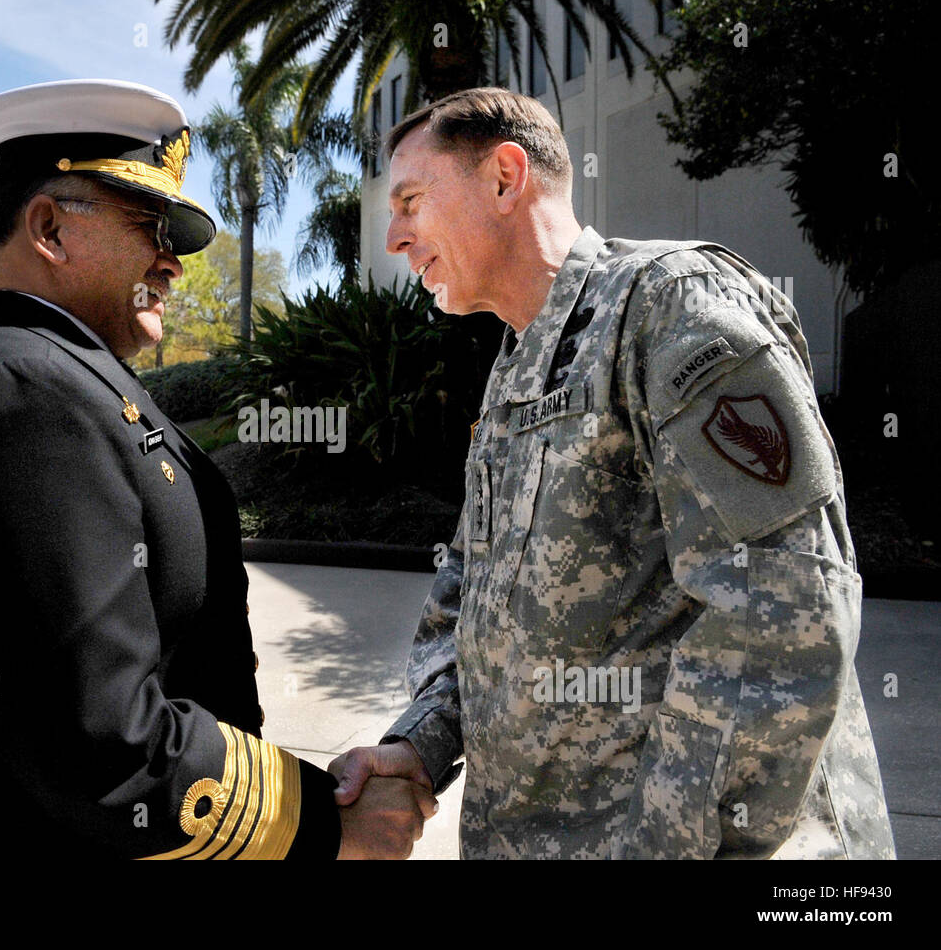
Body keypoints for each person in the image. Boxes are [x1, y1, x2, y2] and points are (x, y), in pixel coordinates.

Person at [0, 79, 434, 861]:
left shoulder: (63, 376)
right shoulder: (29, 392)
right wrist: (322, 819)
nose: (172, 265)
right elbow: (99, 738)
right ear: (48, 228)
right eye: (152, 226)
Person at [330, 87, 897, 860]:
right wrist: (421, 744)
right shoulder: (516, 368)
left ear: (504, 177)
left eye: (411, 200)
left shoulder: (675, 309)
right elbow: (470, 596)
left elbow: (784, 611)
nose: (394, 236)